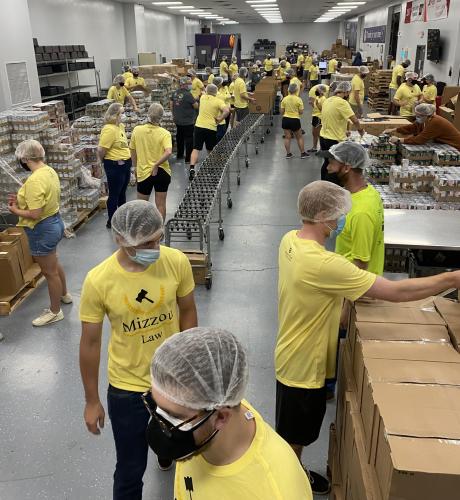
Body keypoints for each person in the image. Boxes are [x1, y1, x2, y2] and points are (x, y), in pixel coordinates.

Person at [276, 180, 460, 495]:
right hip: (304, 368)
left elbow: (334, 275)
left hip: (290, 353)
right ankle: (291, 485)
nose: (341, 220)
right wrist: (451, 277)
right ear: (323, 216)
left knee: (294, 432)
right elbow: (396, 292)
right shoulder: (324, 264)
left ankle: (296, 471)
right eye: (338, 214)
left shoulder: (290, 240)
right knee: (296, 438)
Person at [79, 200, 197, 500]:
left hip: (172, 380)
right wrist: (92, 401)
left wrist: (192, 367)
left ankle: (165, 451)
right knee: (130, 469)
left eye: (157, 240)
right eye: (145, 244)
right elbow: (90, 343)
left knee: (184, 451)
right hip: (127, 387)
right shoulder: (99, 280)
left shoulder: (175, 261)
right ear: (121, 239)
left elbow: (187, 312)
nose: (154, 249)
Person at [146, 327, 312, 500]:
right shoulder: (205, 423)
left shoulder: (278, 491)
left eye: (175, 417)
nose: (160, 425)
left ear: (221, 416)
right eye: (155, 406)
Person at [8, 140, 71, 327]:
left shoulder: (35, 179)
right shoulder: (49, 171)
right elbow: (43, 200)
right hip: (55, 222)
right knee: (54, 262)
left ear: (26, 158)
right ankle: (64, 295)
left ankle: (54, 311)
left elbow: (35, 214)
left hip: (42, 229)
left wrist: (15, 211)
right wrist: (22, 200)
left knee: (49, 272)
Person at [130, 103, 172, 221]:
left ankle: (144, 233)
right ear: (161, 117)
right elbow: (168, 152)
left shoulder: (137, 130)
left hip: (144, 173)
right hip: (162, 172)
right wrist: (156, 164)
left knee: (142, 206)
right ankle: (160, 232)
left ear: (148, 114)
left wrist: (135, 168)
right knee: (161, 204)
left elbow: (132, 150)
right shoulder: (165, 133)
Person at [319, 81, 364, 182]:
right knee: (336, 166)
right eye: (348, 93)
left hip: (323, 137)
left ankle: (323, 184)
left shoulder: (327, 100)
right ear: (346, 92)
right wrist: (361, 131)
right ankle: (333, 189)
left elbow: (333, 118)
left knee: (327, 163)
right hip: (334, 140)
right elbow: (355, 120)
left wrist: (344, 130)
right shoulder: (342, 102)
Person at [97, 103, 132, 229]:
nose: (123, 115)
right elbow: (101, 150)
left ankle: (121, 219)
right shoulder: (109, 129)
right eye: (121, 113)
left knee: (122, 193)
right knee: (114, 194)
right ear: (114, 115)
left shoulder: (120, 126)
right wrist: (103, 161)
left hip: (125, 164)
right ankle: (111, 220)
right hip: (115, 165)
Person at [189, 84, 229, 180]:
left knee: (196, 149)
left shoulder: (203, 97)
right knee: (210, 149)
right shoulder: (218, 101)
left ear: (207, 91)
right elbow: (227, 111)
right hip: (211, 128)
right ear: (216, 92)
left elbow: (202, 92)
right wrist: (220, 119)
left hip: (199, 126)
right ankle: (211, 168)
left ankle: (192, 168)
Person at [385, 103, 460, 150]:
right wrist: (394, 129)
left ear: (426, 115)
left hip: (455, 146)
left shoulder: (435, 122)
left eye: (418, 116)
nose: (417, 118)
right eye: (416, 115)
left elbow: (420, 139)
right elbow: (413, 127)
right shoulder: (424, 120)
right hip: (445, 144)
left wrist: (399, 140)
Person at [171, 77, 199, 165]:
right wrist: (197, 101)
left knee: (180, 137)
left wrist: (174, 114)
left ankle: (179, 155)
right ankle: (188, 158)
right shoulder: (188, 94)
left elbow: (171, 104)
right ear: (185, 84)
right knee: (189, 139)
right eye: (189, 83)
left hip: (178, 120)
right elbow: (196, 106)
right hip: (188, 121)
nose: (190, 85)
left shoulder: (175, 93)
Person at [280, 83, 308, 160]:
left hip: (285, 119)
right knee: (299, 137)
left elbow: (282, 111)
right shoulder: (298, 99)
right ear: (296, 90)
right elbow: (301, 112)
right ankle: (302, 153)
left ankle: (288, 154)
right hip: (295, 120)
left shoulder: (284, 99)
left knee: (287, 137)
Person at [308, 84, 327, 153]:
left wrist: (317, 104)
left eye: (318, 90)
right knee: (314, 133)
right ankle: (314, 147)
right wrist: (312, 104)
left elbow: (323, 109)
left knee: (318, 133)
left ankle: (321, 148)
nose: (316, 91)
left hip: (319, 117)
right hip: (315, 116)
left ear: (321, 91)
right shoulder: (317, 97)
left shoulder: (323, 99)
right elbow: (315, 107)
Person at [214, 77, 231, 142]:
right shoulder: (216, 90)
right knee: (219, 128)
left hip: (227, 110)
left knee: (225, 126)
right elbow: (222, 98)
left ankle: (223, 139)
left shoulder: (226, 87)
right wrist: (227, 97)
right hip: (221, 112)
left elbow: (228, 95)